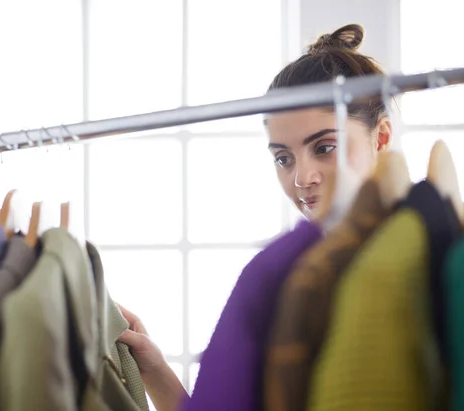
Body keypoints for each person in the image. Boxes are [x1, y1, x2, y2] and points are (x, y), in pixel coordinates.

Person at [117, 23, 393, 411]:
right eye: (283, 158)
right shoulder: (282, 274)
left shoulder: (432, 256)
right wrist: (155, 370)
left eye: (325, 147)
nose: (301, 178)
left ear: (380, 137)